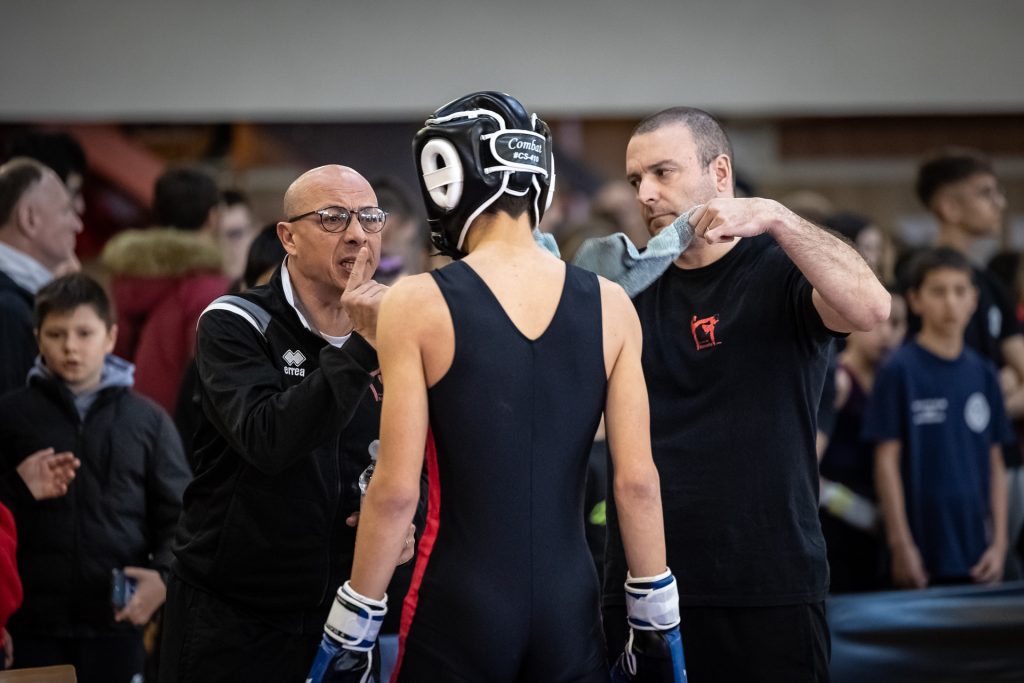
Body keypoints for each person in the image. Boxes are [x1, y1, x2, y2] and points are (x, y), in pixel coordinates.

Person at [308, 92, 682, 683]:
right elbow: (636, 482)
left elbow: (396, 491)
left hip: (459, 601)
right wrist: (657, 619)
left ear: (449, 177)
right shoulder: (612, 305)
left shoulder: (416, 302)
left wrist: (353, 622)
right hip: (569, 604)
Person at [594, 107, 889, 682]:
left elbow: (872, 308)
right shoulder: (625, 289)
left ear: (720, 173)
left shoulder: (781, 269)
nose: (646, 194)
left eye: (663, 172)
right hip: (647, 584)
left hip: (769, 580)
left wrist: (776, 216)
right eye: (635, 180)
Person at [159, 164, 414, 682]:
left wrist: (405, 522)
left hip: (345, 611)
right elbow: (268, 439)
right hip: (234, 615)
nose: (357, 234)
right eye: (333, 218)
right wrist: (361, 348)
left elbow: (419, 452)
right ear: (288, 237)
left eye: (369, 217)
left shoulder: (399, 328)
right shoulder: (234, 322)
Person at [0, 273, 189, 682]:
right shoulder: (10, 417)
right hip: (27, 627)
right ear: (37, 338)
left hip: (116, 628)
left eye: (84, 333)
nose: (70, 346)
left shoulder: (147, 421)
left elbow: (184, 518)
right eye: (56, 334)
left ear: (110, 337)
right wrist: (16, 487)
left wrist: (164, 578)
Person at [906, 148, 1024, 579]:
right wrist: (990, 390)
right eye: (986, 193)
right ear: (949, 206)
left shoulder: (991, 285)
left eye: (961, 294)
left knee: (1001, 568)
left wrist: (986, 397)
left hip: (1000, 458)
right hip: (940, 464)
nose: (1000, 203)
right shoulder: (914, 277)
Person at [865, 248, 1010, 588]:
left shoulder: (984, 372)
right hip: (920, 547)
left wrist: (1000, 544)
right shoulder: (899, 370)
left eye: (960, 291)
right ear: (915, 300)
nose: (951, 303)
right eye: (938, 291)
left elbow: (996, 461)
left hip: (976, 548)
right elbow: (886, 461)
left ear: (974, 299)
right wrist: (901, 544)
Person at [99, 166, 230, 413]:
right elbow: (211, 373)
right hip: (175, 420)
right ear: (213, 217)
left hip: (123, 411)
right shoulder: (206, 286)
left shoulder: (125, 277)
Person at [819, 292, 907, 593]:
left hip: (881, 517)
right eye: (878, 323)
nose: (887, 333)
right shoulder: (839, 381)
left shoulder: (894, 380)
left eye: (896, 324)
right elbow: (805, 462)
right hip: (838, 521)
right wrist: (852, 508)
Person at [0, 158, 83, 396]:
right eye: (66, 210)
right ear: (29, 219)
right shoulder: (8, 311)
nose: (77, 225)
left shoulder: (20, 300)